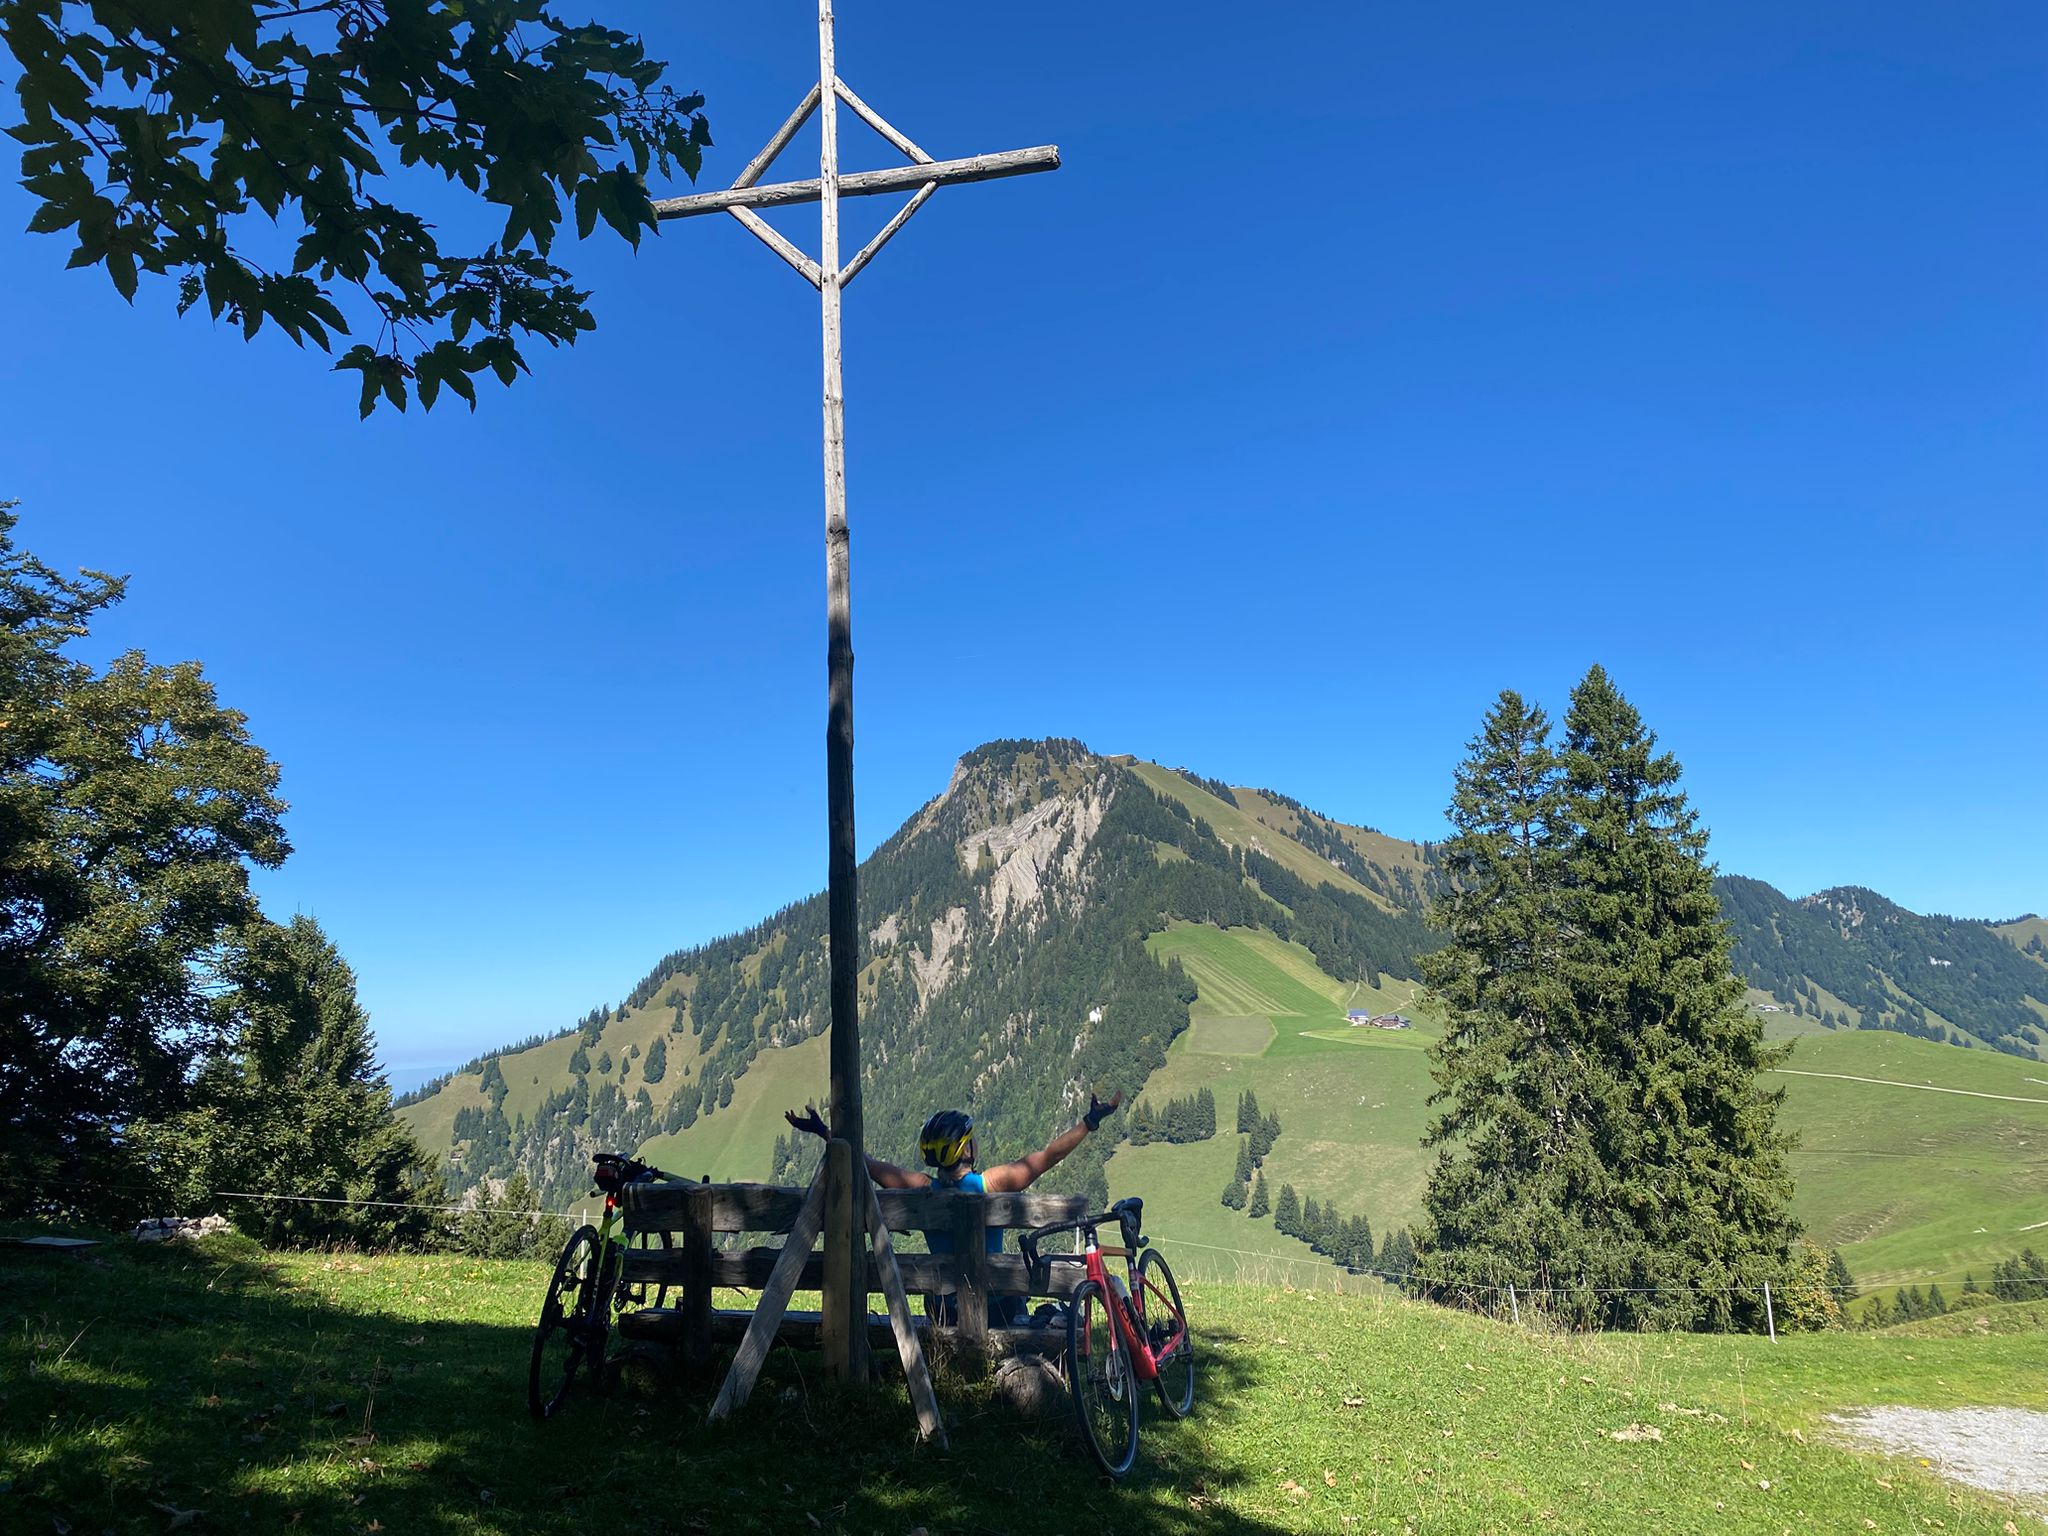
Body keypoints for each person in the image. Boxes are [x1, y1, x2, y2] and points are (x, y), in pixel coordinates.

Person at [782, 1092, 1123, 1325]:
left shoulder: (921, 1189)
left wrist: (824, 1132)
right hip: (996, 1311)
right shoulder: (991, 1184)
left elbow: (866, 1163)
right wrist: (1090, 1122)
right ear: (965, 1150)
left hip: (945, 1310)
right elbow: (1047, 1158)